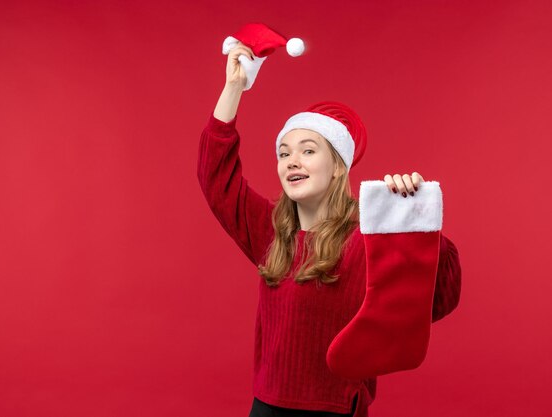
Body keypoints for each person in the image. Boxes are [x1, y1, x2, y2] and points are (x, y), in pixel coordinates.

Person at [197, 42, 461, 417]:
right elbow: (214, 177)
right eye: (283, 153)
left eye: (307, 150)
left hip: (335, 410)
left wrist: (416, 222)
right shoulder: (271, 232)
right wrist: (233, 87)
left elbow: (438, 300)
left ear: (338, 166)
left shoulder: (368, 238)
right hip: (266, 406)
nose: (291, 161)